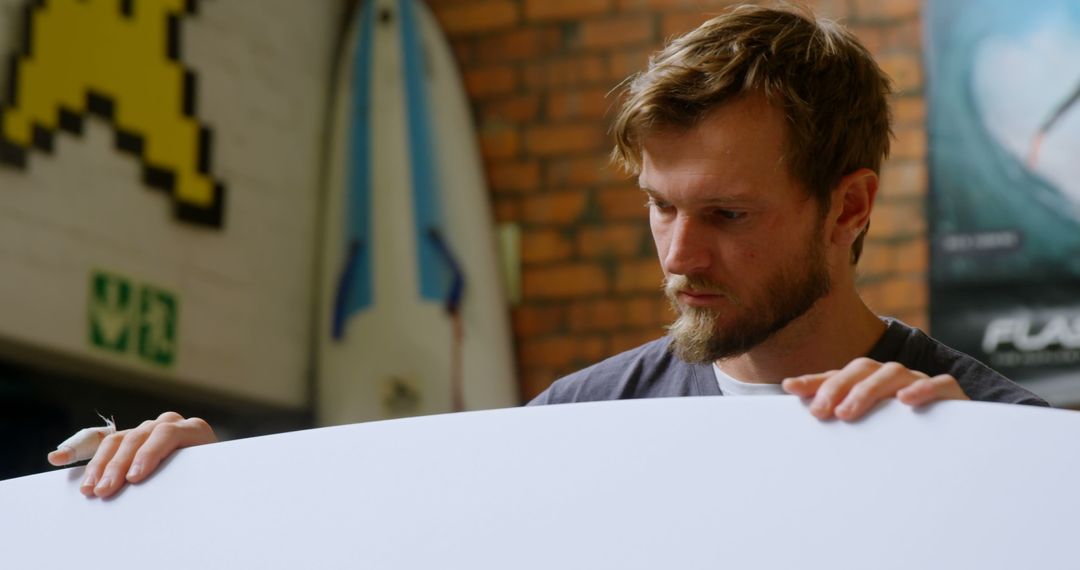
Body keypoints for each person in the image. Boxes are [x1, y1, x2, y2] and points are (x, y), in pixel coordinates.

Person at [50, 4, 1047, 499]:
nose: (677, 255)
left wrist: (999, 486)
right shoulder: (580, 420)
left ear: (850, 208)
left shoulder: (996, 435)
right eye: (659, 206)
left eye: (728, 216)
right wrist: (217, 494)